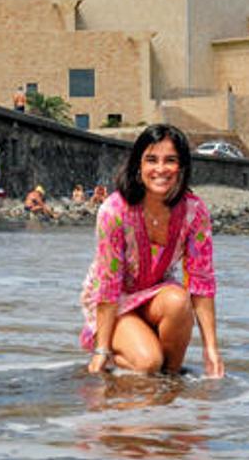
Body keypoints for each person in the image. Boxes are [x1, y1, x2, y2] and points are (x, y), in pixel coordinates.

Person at [79, 124, 224, 378]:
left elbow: (201, 282)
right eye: (151, 160)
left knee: (179, 301)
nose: (160, 169)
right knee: (148, 363)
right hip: (113, 300)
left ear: (182, 167)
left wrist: (211, 350)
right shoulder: (114, 211)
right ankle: (122, 358)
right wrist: (101, 351)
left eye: (170, 160)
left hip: (156, 294)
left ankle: (170, 383)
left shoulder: (195, 212)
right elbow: (108, 284)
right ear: (138, 166)